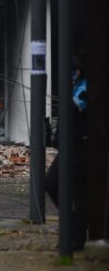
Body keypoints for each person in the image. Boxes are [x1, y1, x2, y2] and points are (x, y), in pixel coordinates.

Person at [45, 62, 88, 250]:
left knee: (79, 194)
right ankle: (72, 229)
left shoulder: (86, 86)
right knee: (52, 184)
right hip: (68, 146)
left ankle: (77, 238)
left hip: (81, 146)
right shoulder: (75, 83)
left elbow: (74, 110)